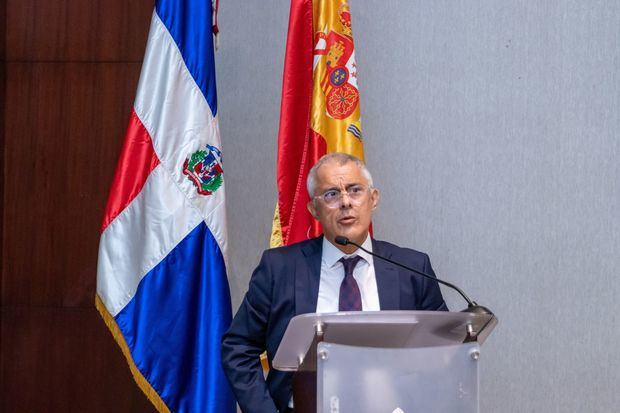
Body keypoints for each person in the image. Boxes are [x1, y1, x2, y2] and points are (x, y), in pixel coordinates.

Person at [221, 153, 447, 413]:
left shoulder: (412, 269)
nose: (345, 203)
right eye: (331, 194)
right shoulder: (279, 268)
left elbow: (444, 350)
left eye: (355, 190)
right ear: (314, 210)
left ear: (373, 199)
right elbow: (238, 347)